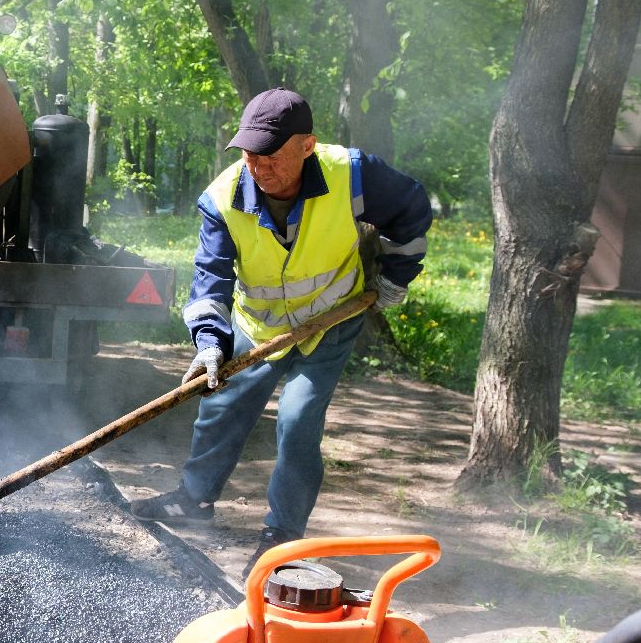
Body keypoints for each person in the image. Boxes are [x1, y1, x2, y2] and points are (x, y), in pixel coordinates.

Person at [129, 88, 432, 569]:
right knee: (221, 403)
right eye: (250, 154)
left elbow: (413, 210)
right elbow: (210, 279)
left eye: (270, 155)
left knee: (297, 419)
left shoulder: (352, 174)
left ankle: (282, 533)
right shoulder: (222, 200)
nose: (259, 167)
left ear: (307, 146)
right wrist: (210, 343)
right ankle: (194, 501)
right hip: (259, 323)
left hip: (331, 319)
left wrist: (395, 277)